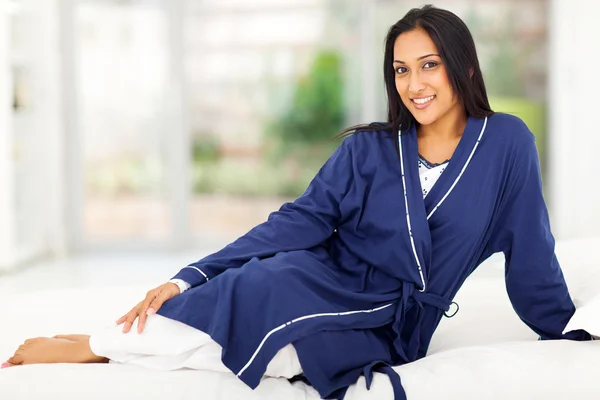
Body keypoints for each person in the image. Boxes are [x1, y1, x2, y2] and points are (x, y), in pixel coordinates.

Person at [3, 5, 592, 400]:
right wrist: (187, 279)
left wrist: (566, 329)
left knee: (293, 357)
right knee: (260, 284)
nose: (414, 84)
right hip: (321, 272)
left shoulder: (507, 142)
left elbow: (530, 244)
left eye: (429, 66)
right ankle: (99, 346)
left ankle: (107, 349)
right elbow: (300, 220)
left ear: (463, 66)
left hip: (396, 319)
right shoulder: (371, 149)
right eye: (401, 70)